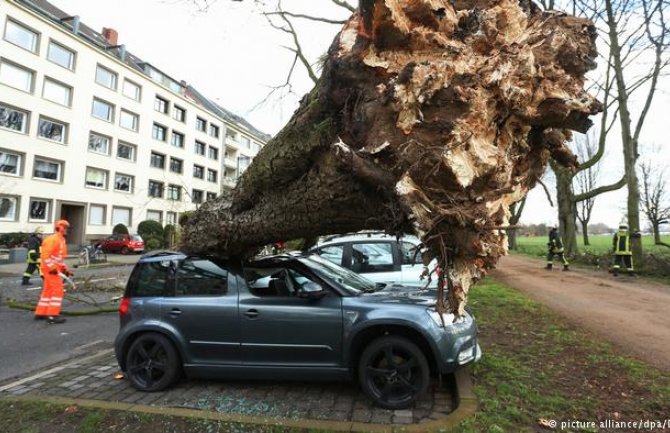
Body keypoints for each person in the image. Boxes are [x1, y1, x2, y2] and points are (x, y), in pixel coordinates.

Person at [35, 220, 74, 324]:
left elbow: (58, 258)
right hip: (50, 270)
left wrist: (65, 269)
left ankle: (41, 312)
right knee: (58, 290)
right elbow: (45, 256)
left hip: (52, 269)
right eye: (66, 228)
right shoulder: (53, 239)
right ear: (60, 228)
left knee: (48, 290)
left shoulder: (61, 240)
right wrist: (52, 267)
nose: (67, 230)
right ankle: (52, 315)